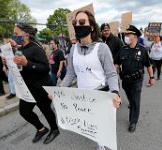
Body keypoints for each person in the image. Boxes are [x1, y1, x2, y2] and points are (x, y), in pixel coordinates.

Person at [59, 10, 121, 150]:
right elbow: (70, 74)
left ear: (91, 26)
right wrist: (59, 90)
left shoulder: (102, 48)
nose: (78, 25)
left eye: (82, 22)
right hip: (82, 98)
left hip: (100, 95)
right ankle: (101, 146)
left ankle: (104, 145)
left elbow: (111, 74)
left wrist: (115, 92)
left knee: (103, 126)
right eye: (75, 23)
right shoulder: (73, 50)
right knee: (92, 126)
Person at [12, 23, 59, 144]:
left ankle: (54, 130)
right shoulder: (21, 48)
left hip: (41, 87)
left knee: (46, 110)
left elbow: (45, 68)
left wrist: (27, 63)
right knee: (24, 111)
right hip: (27, 89)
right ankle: (41, 129)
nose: (14, 36)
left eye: (16, 34)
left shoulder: (36, 48)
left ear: (26, 35)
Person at [115, 25, 154, 132]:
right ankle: (131, 103)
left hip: (137, 81)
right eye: (126, 34)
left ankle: (133, 122)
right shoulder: (123, 49)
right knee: (130, 97)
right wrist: (114, 74)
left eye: (129, 34)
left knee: (135, 100)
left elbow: (149, 65)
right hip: (125, 80)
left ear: (135, 36)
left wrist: (152, 77)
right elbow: (117, 64)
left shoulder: (143, 50)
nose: (127, 36)